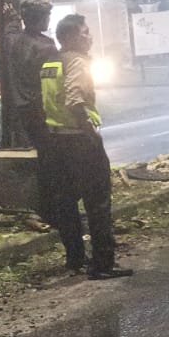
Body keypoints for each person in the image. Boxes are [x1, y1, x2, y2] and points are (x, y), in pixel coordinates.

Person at [41, 14, 133, 279]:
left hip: (57, 140)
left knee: (67, 203)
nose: (89, 37)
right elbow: (74, 99)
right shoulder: (78, 62)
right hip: (80, 140)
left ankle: (75, 259)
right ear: (69, 37)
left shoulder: (50, 62)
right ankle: (102, 264)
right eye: (84, 32)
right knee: (98, 203)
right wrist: (90, 132)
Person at [6, 0, 58, 150]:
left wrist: (14, 18)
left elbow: (10, 31)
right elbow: (52, 81)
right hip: (41, 108)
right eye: (47, 15)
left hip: (21, 107)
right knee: (49, 151)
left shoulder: (13, 40)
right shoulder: (46, 47)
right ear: (41, 18)